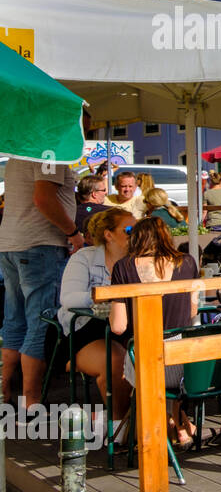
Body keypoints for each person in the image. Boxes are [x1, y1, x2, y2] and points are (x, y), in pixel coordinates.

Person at [106, 216, 201, 447]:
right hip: (184, 364)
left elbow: (118, 326)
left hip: (145, 360)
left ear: (135, 238)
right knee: (170, 376)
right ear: (166, 236)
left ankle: (168, 423)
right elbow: (191, 311)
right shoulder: (187, 263)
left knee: (140, 371)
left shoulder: (124, 267)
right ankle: (178, 421)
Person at [0, 157, 82, 409]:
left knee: (14, 322)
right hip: (40, 245)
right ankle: (31, 401)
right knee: (39, 323)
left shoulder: (21, 153)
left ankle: (4, 394)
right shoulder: (51, 152)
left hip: (12, 243)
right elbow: (43, 199)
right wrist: (73, 233)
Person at [59, 207, 135, 434]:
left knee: (159, 354)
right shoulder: (85, 258)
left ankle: (159, 423)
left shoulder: (137, 259)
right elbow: (68, 298)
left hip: (126, 326)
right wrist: (105, 296)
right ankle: (120, 429)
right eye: (129, 229)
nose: (135, 234)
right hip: (84, 329)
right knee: (117, 363)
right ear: (109, 235)